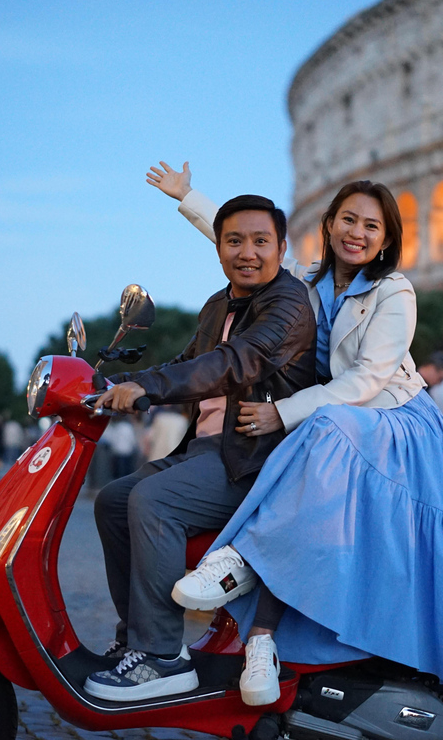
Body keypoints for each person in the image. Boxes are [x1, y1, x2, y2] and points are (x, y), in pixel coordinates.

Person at [151, 162, 441, 707]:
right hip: (337, 421)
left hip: (393, 422)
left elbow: (367, 379)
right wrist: (188, 197)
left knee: (318, 428)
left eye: (372, 227)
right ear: (328, 225)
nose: (357, 233)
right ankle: (261, 638)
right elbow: (252, 244)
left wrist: (282, 412)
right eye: (348, 220)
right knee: (311, 445)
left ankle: (236, 561)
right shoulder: (306, 285)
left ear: (385, 241)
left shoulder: (394, 291)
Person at [83, 194, 317, 702]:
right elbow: (187, 359)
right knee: (113, 502)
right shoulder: (217, 304)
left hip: (256, 463)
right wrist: (119, 383)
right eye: (234, 240)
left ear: (281, 247)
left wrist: (151, 390)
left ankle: (164, 656)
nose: (247, 252)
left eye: (260, 241)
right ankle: (136, 642)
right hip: (206, 451)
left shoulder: (289, 304)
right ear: (218, 248)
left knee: (154, 501)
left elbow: (234, 363)